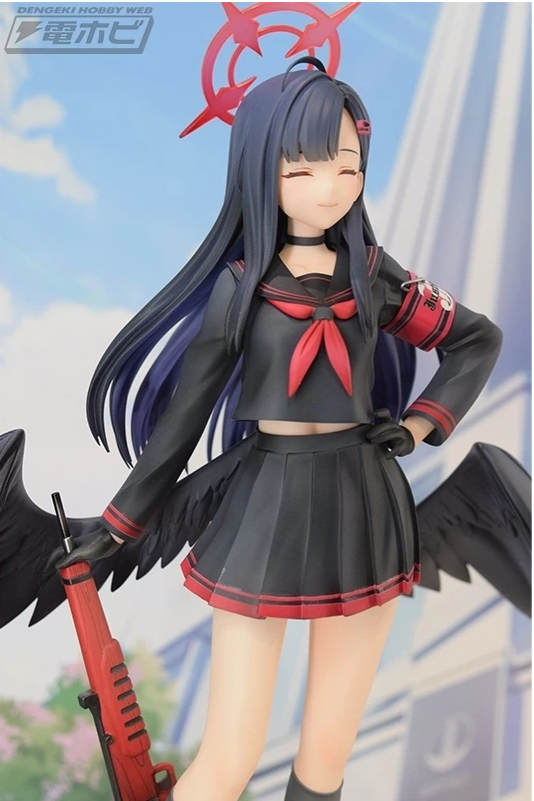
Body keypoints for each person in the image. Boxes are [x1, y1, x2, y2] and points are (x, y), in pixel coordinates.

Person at [44, 58, 503, 800]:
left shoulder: (373, 275)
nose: (331, 188)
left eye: (347, 167)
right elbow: (184, 419)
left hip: (365, 503)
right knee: (229, 756)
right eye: (305, 169)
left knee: (326, 757)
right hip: (265, 505)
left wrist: (421, 424)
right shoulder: (240, 289)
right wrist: (122, 524)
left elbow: (475, 339)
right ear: (263, 168)